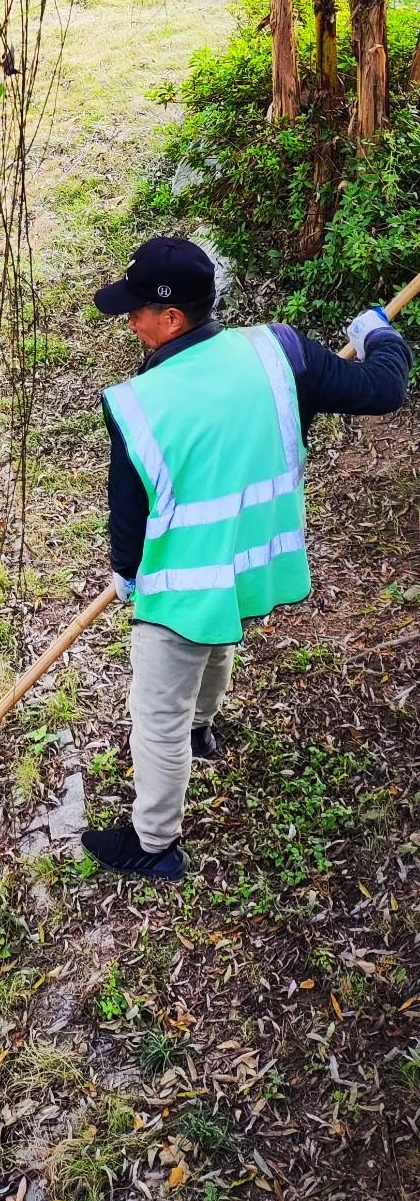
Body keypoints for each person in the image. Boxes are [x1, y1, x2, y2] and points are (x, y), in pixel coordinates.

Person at [80, 234, 412, 883]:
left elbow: (130, 519)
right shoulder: (278, 353)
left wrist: (125, 573)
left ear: (172, 318)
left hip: (180, 585)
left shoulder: (137, 405)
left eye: (136, 309)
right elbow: (383, 388)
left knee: (156, 715)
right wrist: (379, 335)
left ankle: (153, 845)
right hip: (246, 564)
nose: (129, 319)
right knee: (215, 634)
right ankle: (204, 732)